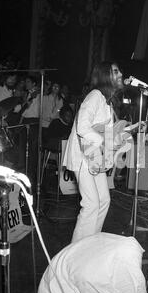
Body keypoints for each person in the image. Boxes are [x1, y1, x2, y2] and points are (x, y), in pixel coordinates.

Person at [63, 61, 124, 243]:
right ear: (105, 76)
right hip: (83, 156)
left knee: (103, 201)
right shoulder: (95, 96)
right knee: (91, 204)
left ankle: (89, 243)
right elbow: (82, 127)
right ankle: (74, 252)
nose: (120, 73)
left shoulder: (107, 102)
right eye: (115, 71)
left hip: (94, 157)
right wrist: (104, 141)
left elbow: (106, 133)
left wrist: (118, 140)